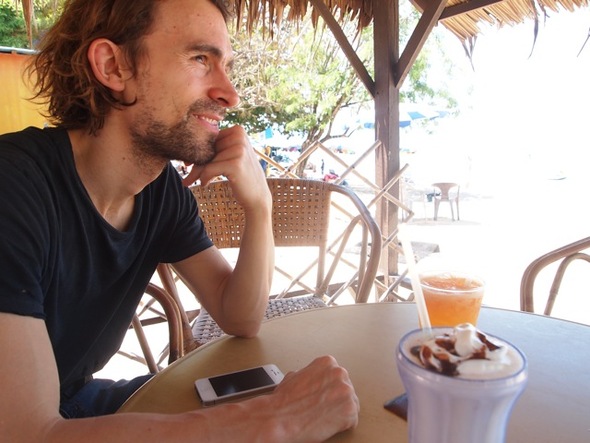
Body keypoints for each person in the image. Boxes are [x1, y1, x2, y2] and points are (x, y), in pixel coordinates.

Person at [0, 0, 359, 441]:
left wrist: (259, 206)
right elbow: (27, 433)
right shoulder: (13, 187)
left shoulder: (159, 191)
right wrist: (275, 422)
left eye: (225, 65)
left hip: (72, 402)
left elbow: (239, 316)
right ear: (113, 66)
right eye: (200, 59)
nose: (230, 93)